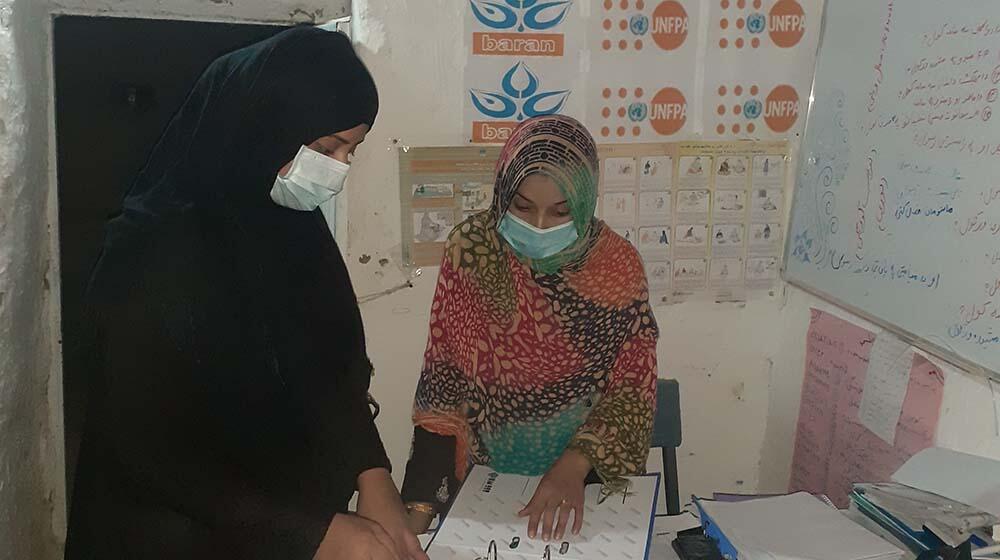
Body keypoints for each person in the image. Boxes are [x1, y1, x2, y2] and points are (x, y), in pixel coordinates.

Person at [65, 27, 426, 560]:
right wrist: (313, 533)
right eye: (326, 147)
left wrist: (374, 479)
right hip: (174, 535)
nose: (340, 169)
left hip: (286, 524)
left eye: (352, 149)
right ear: (263, 125)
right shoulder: (154, 251)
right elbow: (149, 449)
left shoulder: (293, 229)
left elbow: (329, 370)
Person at [400, 116, 659, 542]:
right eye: (522, 207)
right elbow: (444, 386)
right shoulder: (474, 252)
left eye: (560, 212)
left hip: (584, 484)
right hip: (481, 491)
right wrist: (416, 515)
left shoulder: (617, 267)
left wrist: (573, 466)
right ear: (503, 193)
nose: (539, 225)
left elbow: (633, 389)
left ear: (584, 203)